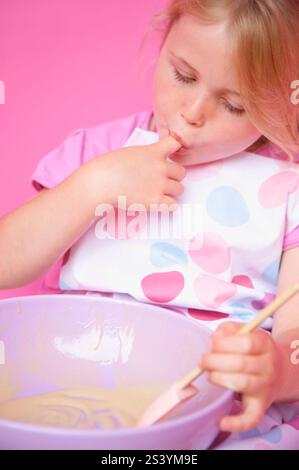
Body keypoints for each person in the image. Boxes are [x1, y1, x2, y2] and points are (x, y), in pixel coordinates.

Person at [1, 1, 299, 446]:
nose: (193, 112)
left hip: (214, 417)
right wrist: (92, 186)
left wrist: (276, 371)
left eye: (234, 104)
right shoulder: (99, 153)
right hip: (69, 386)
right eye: (184, 75)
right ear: (163, 39)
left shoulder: (286, 190)